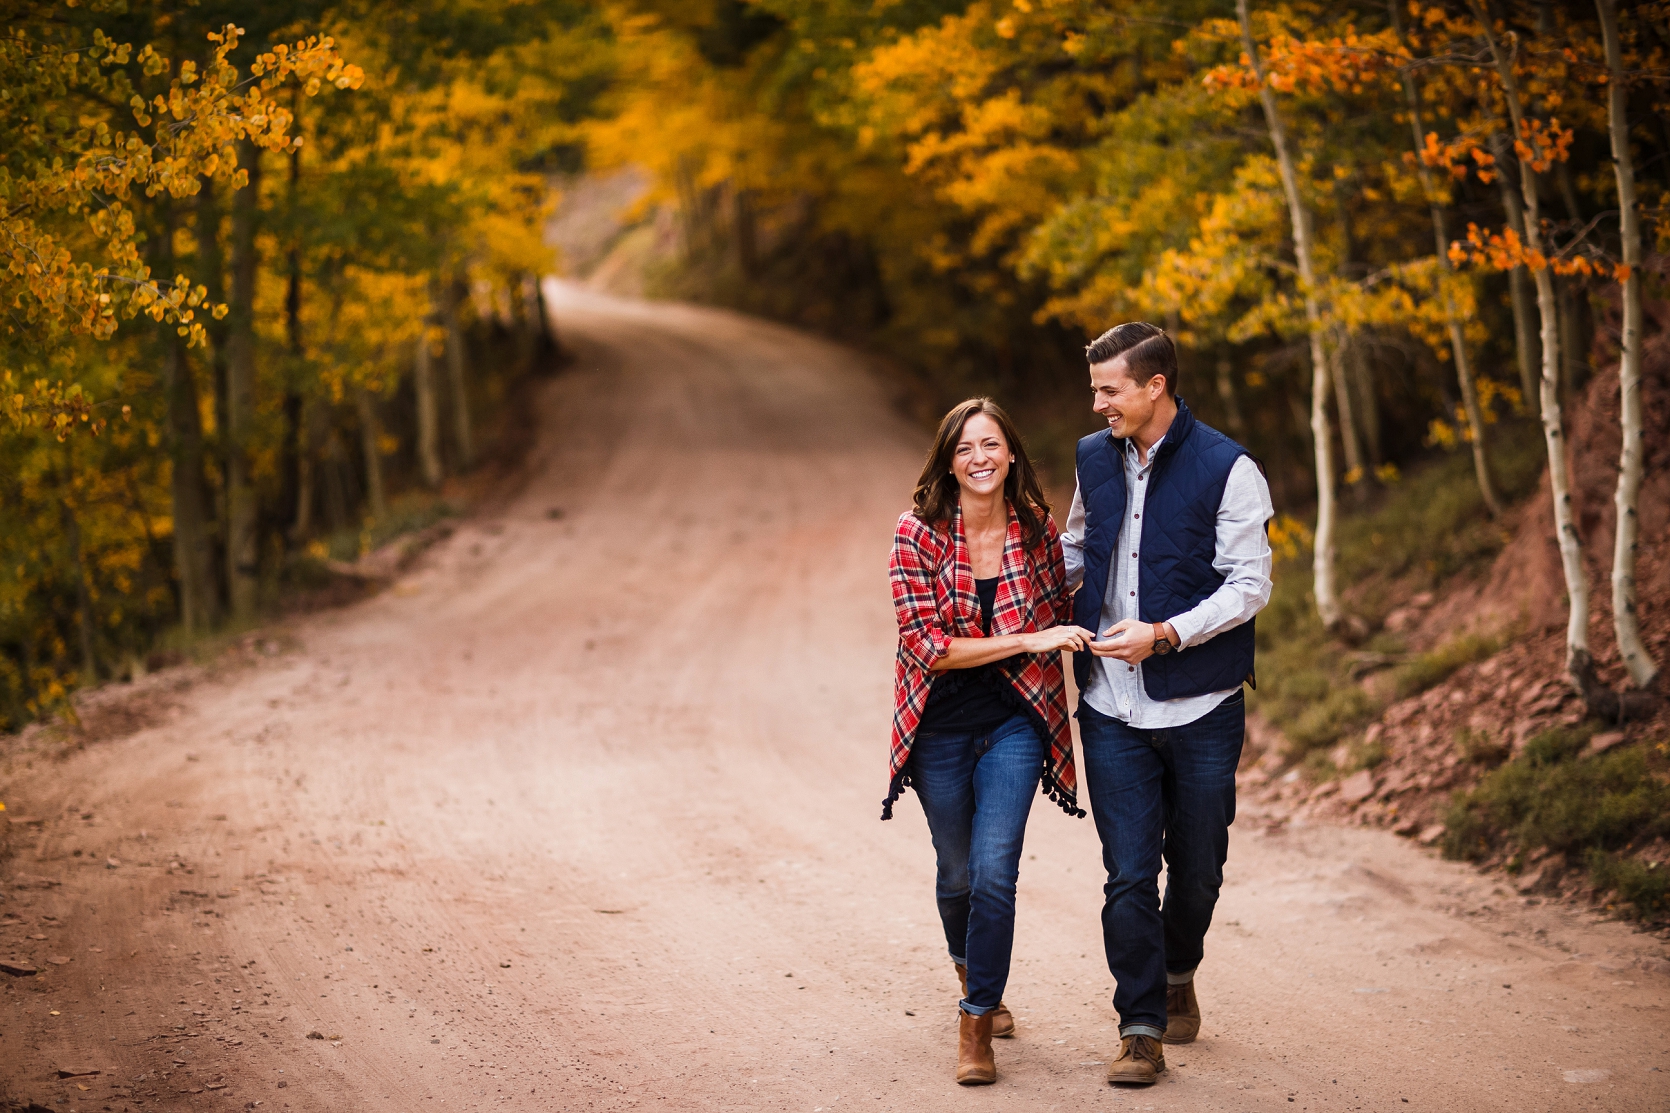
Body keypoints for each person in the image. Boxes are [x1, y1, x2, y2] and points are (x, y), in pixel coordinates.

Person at [1062, 323, 1274, 1086]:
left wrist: (1165, 634)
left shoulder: (1230, 468)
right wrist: (1037, 595)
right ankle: (1140, 1026)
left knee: (1198, 870)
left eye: (1108, 389)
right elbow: (1079, 545)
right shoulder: (1094, 458)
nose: (1098, 405)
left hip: (1201, 703)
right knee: (1126, 873)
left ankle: (1179, 965)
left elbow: (1249, 584)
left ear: (1155, 386)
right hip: (1109, 702)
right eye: (1095, 389)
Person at [884, 397, 1095, 1086]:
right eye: (965, 447)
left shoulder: (1037, 530)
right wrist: (1030, 639)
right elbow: (927, 648)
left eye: (991, 445)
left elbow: (1066, 611)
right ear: (949, 460)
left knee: (996, 870)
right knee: (958, 874)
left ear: (1010, 455)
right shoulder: (914, 534)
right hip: (939, 724)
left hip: (1016, 719)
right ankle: (972, 965)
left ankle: (976, 1020)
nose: (979, 458)